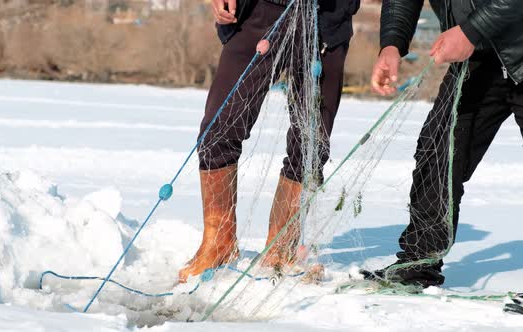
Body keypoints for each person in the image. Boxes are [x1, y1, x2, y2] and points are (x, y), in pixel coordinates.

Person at [178, 0, 360, 282]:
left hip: (326, 19)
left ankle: (281, 250)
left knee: (310, 145)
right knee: (218, 132)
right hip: (259, 13)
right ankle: (219, 245)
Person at [365, 0, 523, 287]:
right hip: (480, 58)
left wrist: (471, 30)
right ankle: (419, 263)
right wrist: (392, 44)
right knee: (438, 151)